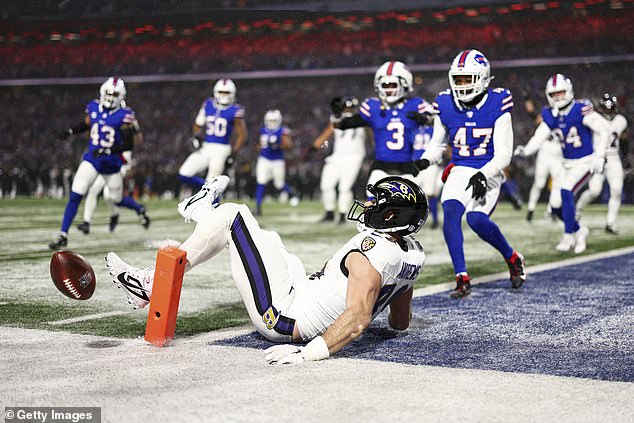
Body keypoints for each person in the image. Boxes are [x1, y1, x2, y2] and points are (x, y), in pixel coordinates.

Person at [106, 175, 429, 364]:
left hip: (283, 314)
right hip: (304, 294)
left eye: (377, 203)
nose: (369, 205)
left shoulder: (368, 253)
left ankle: (151, 284)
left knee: (234, 216)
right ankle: (204, 212)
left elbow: (358, 318)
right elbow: (399, 322)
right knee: (267, 238)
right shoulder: (412, 253)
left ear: (392, 216)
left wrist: (309, 353)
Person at [413, 49, 526, 298]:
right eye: (459, 79)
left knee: (476, 220)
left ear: (484, 79)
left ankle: (512, 257)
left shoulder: (498, 101)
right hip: (461, 167)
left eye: (468, 79)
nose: (462, 85)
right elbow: (437, 144)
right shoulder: (444, 103)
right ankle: (461, 276)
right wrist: (423, 161)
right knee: (450, 214)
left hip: (490, 167)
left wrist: (484, 174)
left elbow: (504, 154)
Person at [519, 74, 610, 253]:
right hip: (566, 164)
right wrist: (527, 150)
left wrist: (599, 155)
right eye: (554, 94)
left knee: (566, 190)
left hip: (585, 161)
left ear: (569, 92)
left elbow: (604, 129)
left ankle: (568, 237)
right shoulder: (551, 114)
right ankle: (579, 229)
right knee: (555, 207)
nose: (558, 97)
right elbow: (539, 136)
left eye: (561, 93)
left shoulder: (580, 109)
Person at [49, 77, 141, 249]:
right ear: (102, 91)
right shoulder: (93, 107)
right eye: (109, 93)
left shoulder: (125, 115)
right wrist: (70, 131)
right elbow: (86, 124)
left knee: (115, 198)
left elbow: (129, 144)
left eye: (115, 94)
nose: (111, 96)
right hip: (92, 159)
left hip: (112, 164)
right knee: (77, 193)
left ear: (121, 96)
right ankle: (63, 234)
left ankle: (139, 209)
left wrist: (109, 150)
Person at [331, 61, 434, 192]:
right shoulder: (373, 107)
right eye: (384, 85)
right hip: (381, 166)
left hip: (408, 167)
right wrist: (337, 115)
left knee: (408, 205)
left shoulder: (415, 104)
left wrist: (427, 119)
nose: (388, 89)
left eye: (392, 85)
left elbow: (437, 120)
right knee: (373, 197)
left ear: (404, 84)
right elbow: (343, 124)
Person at [178, 79, 247, 192]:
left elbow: (242, 135)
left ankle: (212, 201)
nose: (224, 95)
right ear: (216, 92)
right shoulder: (208, 104)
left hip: (222, 149)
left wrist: (233, 154)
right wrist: (196, 136)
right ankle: (206, 191)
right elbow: (198, 124)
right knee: (184, 174)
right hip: (206, 147)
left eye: (227, 92)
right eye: (221, 92)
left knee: (211, 182)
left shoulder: (236, 110)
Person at [575, 93, 629, 234]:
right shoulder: (593, 119)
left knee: (616, 190)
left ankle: (610, 223)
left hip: (613, 158)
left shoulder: (621, 120)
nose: (608, 112)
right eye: (606, 109)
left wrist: (626, 159)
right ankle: (577, 211)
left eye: (610, 109)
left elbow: (624, 140)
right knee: (594, 191)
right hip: (598, 157)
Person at [311, 96, 368, 224]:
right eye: (345, 107)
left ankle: (342, 214)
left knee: (344, 187)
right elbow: (326, 134)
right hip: (337, 156)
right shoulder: (336, 119)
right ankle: (329, 212)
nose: (347, 110)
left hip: (354, 157)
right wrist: (313, 148)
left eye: (350, 107)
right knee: (326, 185)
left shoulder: (364, 120)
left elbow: (373, 135)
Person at [515, 90, 564, 222]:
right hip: (545, 154)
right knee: (539, 183)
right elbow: (532, 114)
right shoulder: (547, 115)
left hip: (559, 156)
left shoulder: (567, 115)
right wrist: (527, 99)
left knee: (557, 184)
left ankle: (551, 210)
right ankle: (531, 209)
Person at [76, 150, 150, 234]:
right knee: (94, 190)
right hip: (104, 165)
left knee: (109, 196)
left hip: (116, 167)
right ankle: (87, 222)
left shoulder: (123, 141)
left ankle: (135, 209)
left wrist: (125, 168)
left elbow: (125, 155)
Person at [254, 109, 294, 216]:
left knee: (279, 184)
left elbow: (289, 146)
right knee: (261, 181)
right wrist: (261, 147)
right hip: (264, 159)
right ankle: (258, 206)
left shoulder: (283, 131)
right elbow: (257, 146)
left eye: (274, 120)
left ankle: (291, 193)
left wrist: (277, 146)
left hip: (277, 161)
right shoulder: (262, 130)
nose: (271, 123)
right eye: (270, 120)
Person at [411, 125, 443, 229]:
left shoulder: (434, 129)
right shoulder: (414, 128)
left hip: (428, 164)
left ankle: (435, 220)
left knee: (431, 193)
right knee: (413, 193)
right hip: (416, 164)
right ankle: (414, 219)